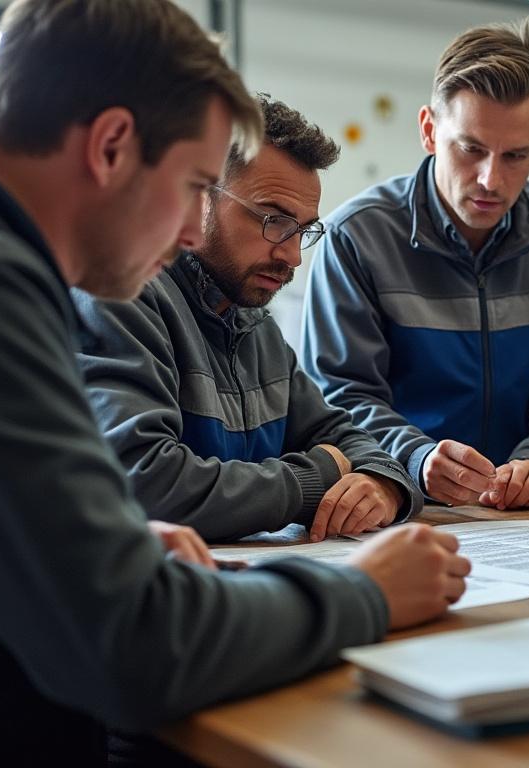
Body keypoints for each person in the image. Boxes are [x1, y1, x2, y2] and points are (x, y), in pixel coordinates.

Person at [0, 1, 467, 763]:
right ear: (111, 146)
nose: (194, 233)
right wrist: (367, 592)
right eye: (195, 183)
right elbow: (137, 649)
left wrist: (108, 540)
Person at [75, 94, 420, 544]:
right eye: (274, 220)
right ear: (200, 195)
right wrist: (314, 479)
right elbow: (146, 483)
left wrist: (382, 483)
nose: (292, 256)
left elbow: (340, 433)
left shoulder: (254, 324)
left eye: (304, 230)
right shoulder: (120, 294)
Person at [302, 20, 529, 511]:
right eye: (471, 149)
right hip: (401, 503)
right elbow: (341, 395)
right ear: (429, 130)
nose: (491, 178)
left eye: (516, 156)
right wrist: (416, 459)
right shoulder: (356, 236)